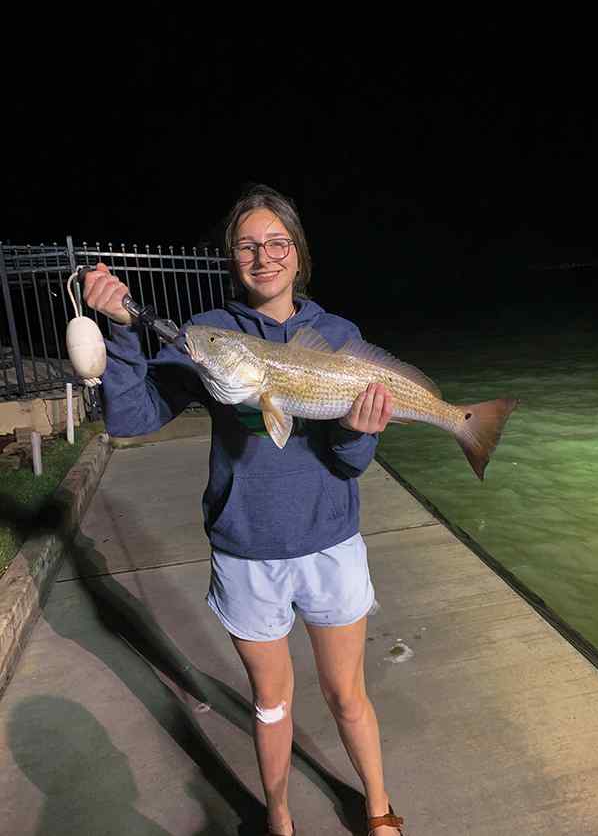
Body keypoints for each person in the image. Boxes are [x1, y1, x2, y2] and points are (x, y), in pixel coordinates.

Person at [83, 184, 404, 836]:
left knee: (347, 694)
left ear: (299, 253)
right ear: (231, 258)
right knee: (271, 701)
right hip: (245, 550)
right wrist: (121, 336)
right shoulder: (211, 335)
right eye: (247, 245)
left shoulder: (339, 337)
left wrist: (360, 429)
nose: (264, 256)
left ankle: (377, 807)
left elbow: (346, 464)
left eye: (277, 242)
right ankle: (278, 815)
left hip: (330, 543)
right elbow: (132, 413)